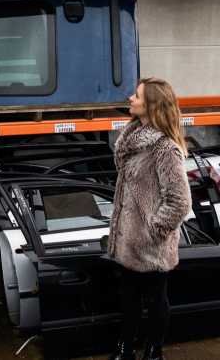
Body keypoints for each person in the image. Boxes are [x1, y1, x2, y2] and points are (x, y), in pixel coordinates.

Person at [107, 77, 192, 360]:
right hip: (127, 241)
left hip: (151, 245)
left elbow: (180, 201)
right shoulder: (134, 140)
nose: (130, 98)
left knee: (156, 300)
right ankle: (125, 348)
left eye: (137, 95)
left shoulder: (164, 149)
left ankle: (154, 353)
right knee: (128, 298)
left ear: (151, 105)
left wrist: (153, 231)